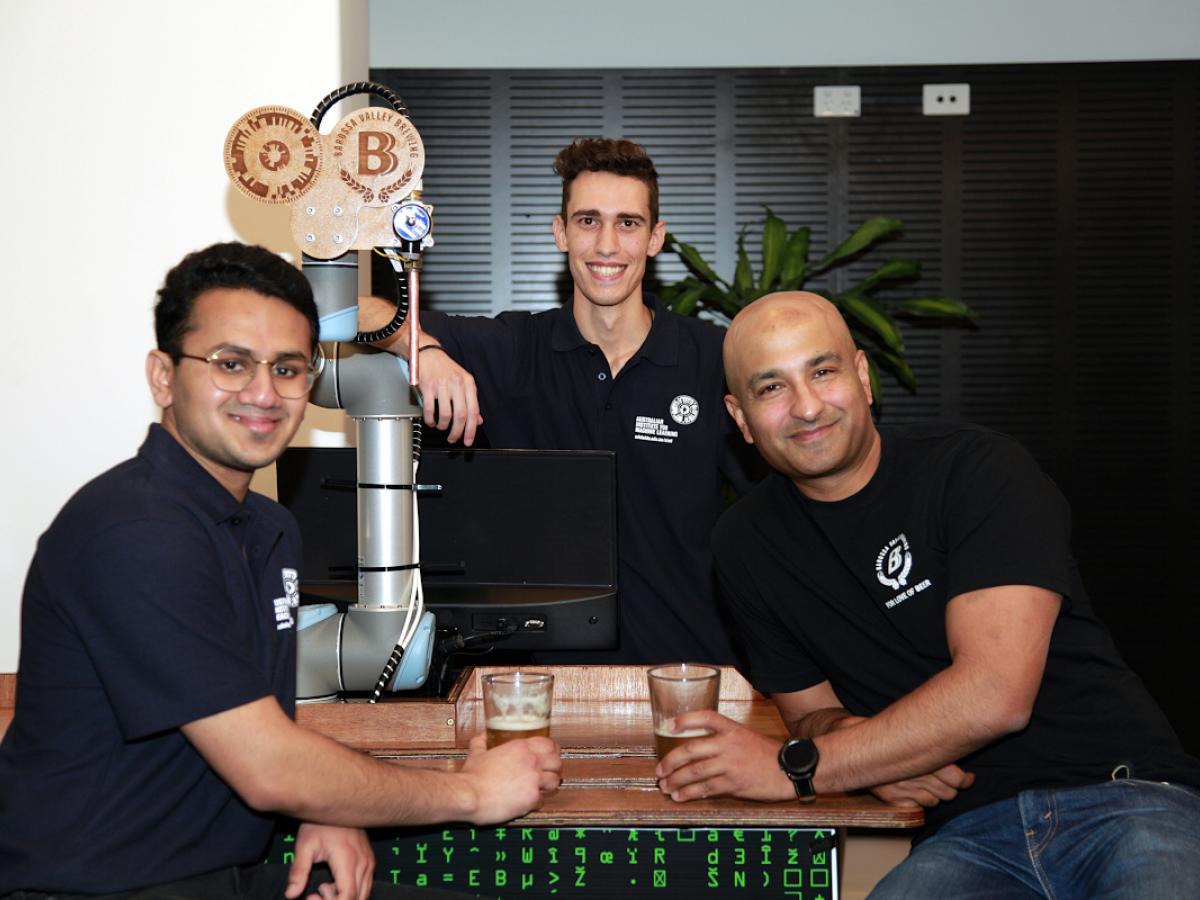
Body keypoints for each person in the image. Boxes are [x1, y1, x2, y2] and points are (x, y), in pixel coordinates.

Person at [0, 243, 561, 900]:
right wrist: (472, 792)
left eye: (288, 368)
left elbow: (251, 723)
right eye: (231, 364)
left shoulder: (269, 526)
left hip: (224, 876)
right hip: (96, 888)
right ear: (162, 376)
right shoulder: (135, 530)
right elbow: (266, 767)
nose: (263, 393)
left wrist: (324, 803)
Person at [655, 291, 1200, 897]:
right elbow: (808, 713)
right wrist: (873, 754)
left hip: (1123, 798)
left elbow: (996, 695)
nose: (806, 407)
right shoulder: (743, 544)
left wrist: (799, 770)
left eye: (823, 371)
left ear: (862, 376)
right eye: (771, 388)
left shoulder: (977, 470)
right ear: (740, 419)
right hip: (965, 836)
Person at [360, 138, 759, 665]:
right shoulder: (514, 348)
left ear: (655, 238)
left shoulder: (714, 358)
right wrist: (424, 349)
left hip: (685, 672)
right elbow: (353, 310)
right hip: (534, 679)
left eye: (628, 223)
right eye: (588, 221)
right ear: (560, 232)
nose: (607, 245)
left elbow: (779, 512)